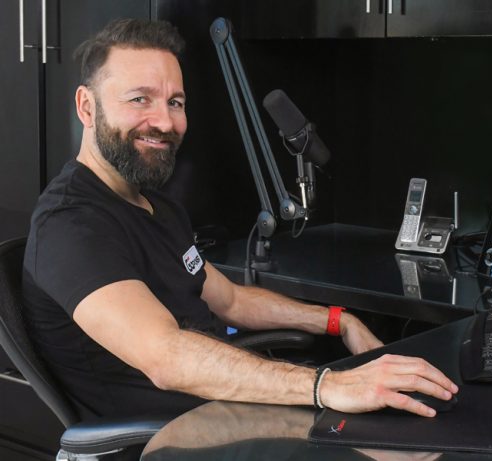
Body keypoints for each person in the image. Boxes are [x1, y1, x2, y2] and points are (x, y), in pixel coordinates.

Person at [22, 18, 457, 421]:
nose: (165, 122)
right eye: (140, 99)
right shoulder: (70, 226)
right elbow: (166, 357)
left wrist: (337, 319)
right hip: (171, 439)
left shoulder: (156, 206)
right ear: (87, 107)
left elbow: (229, 300)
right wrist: (328, 385)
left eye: (175, 102)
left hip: (225, 411)